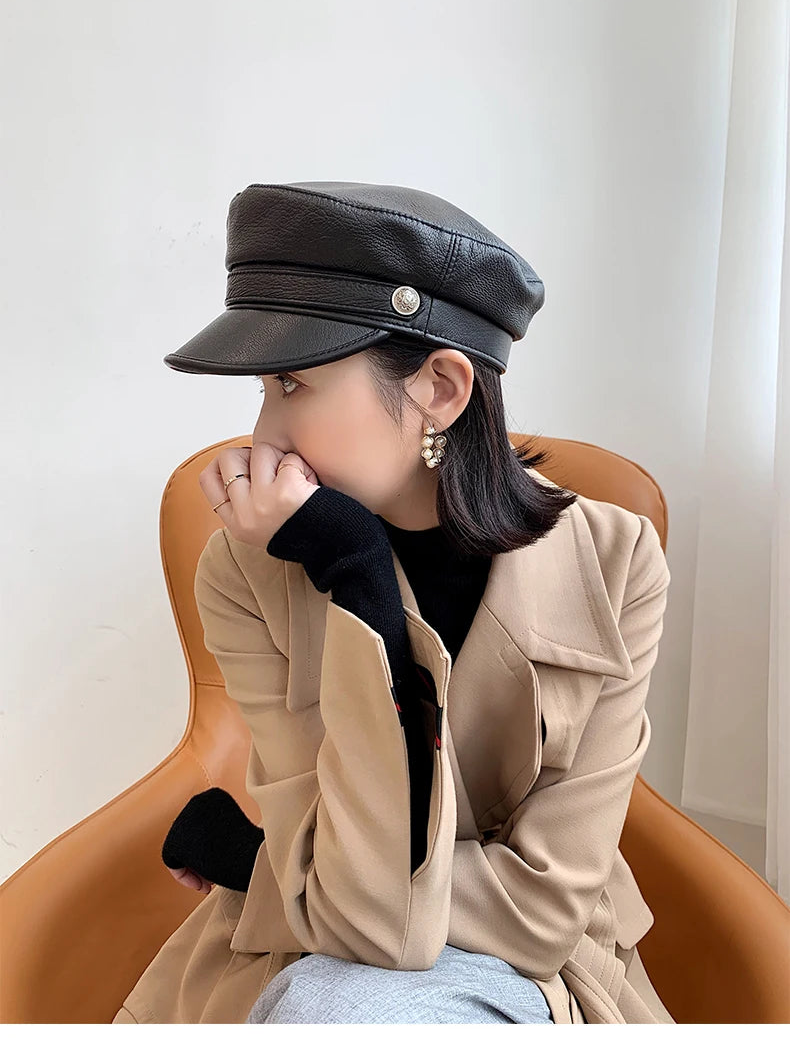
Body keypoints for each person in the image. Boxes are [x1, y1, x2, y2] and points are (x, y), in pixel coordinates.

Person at [112, 181, 674, 1025]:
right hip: (313, 965)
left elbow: (541, 915)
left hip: (534, 976)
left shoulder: (618, 564)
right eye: (262, 390)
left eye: (291, 384)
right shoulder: (245, 573)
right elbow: (366, 924)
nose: (262, 437)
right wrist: (358, 573)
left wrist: (261, 866)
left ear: (440, 388)